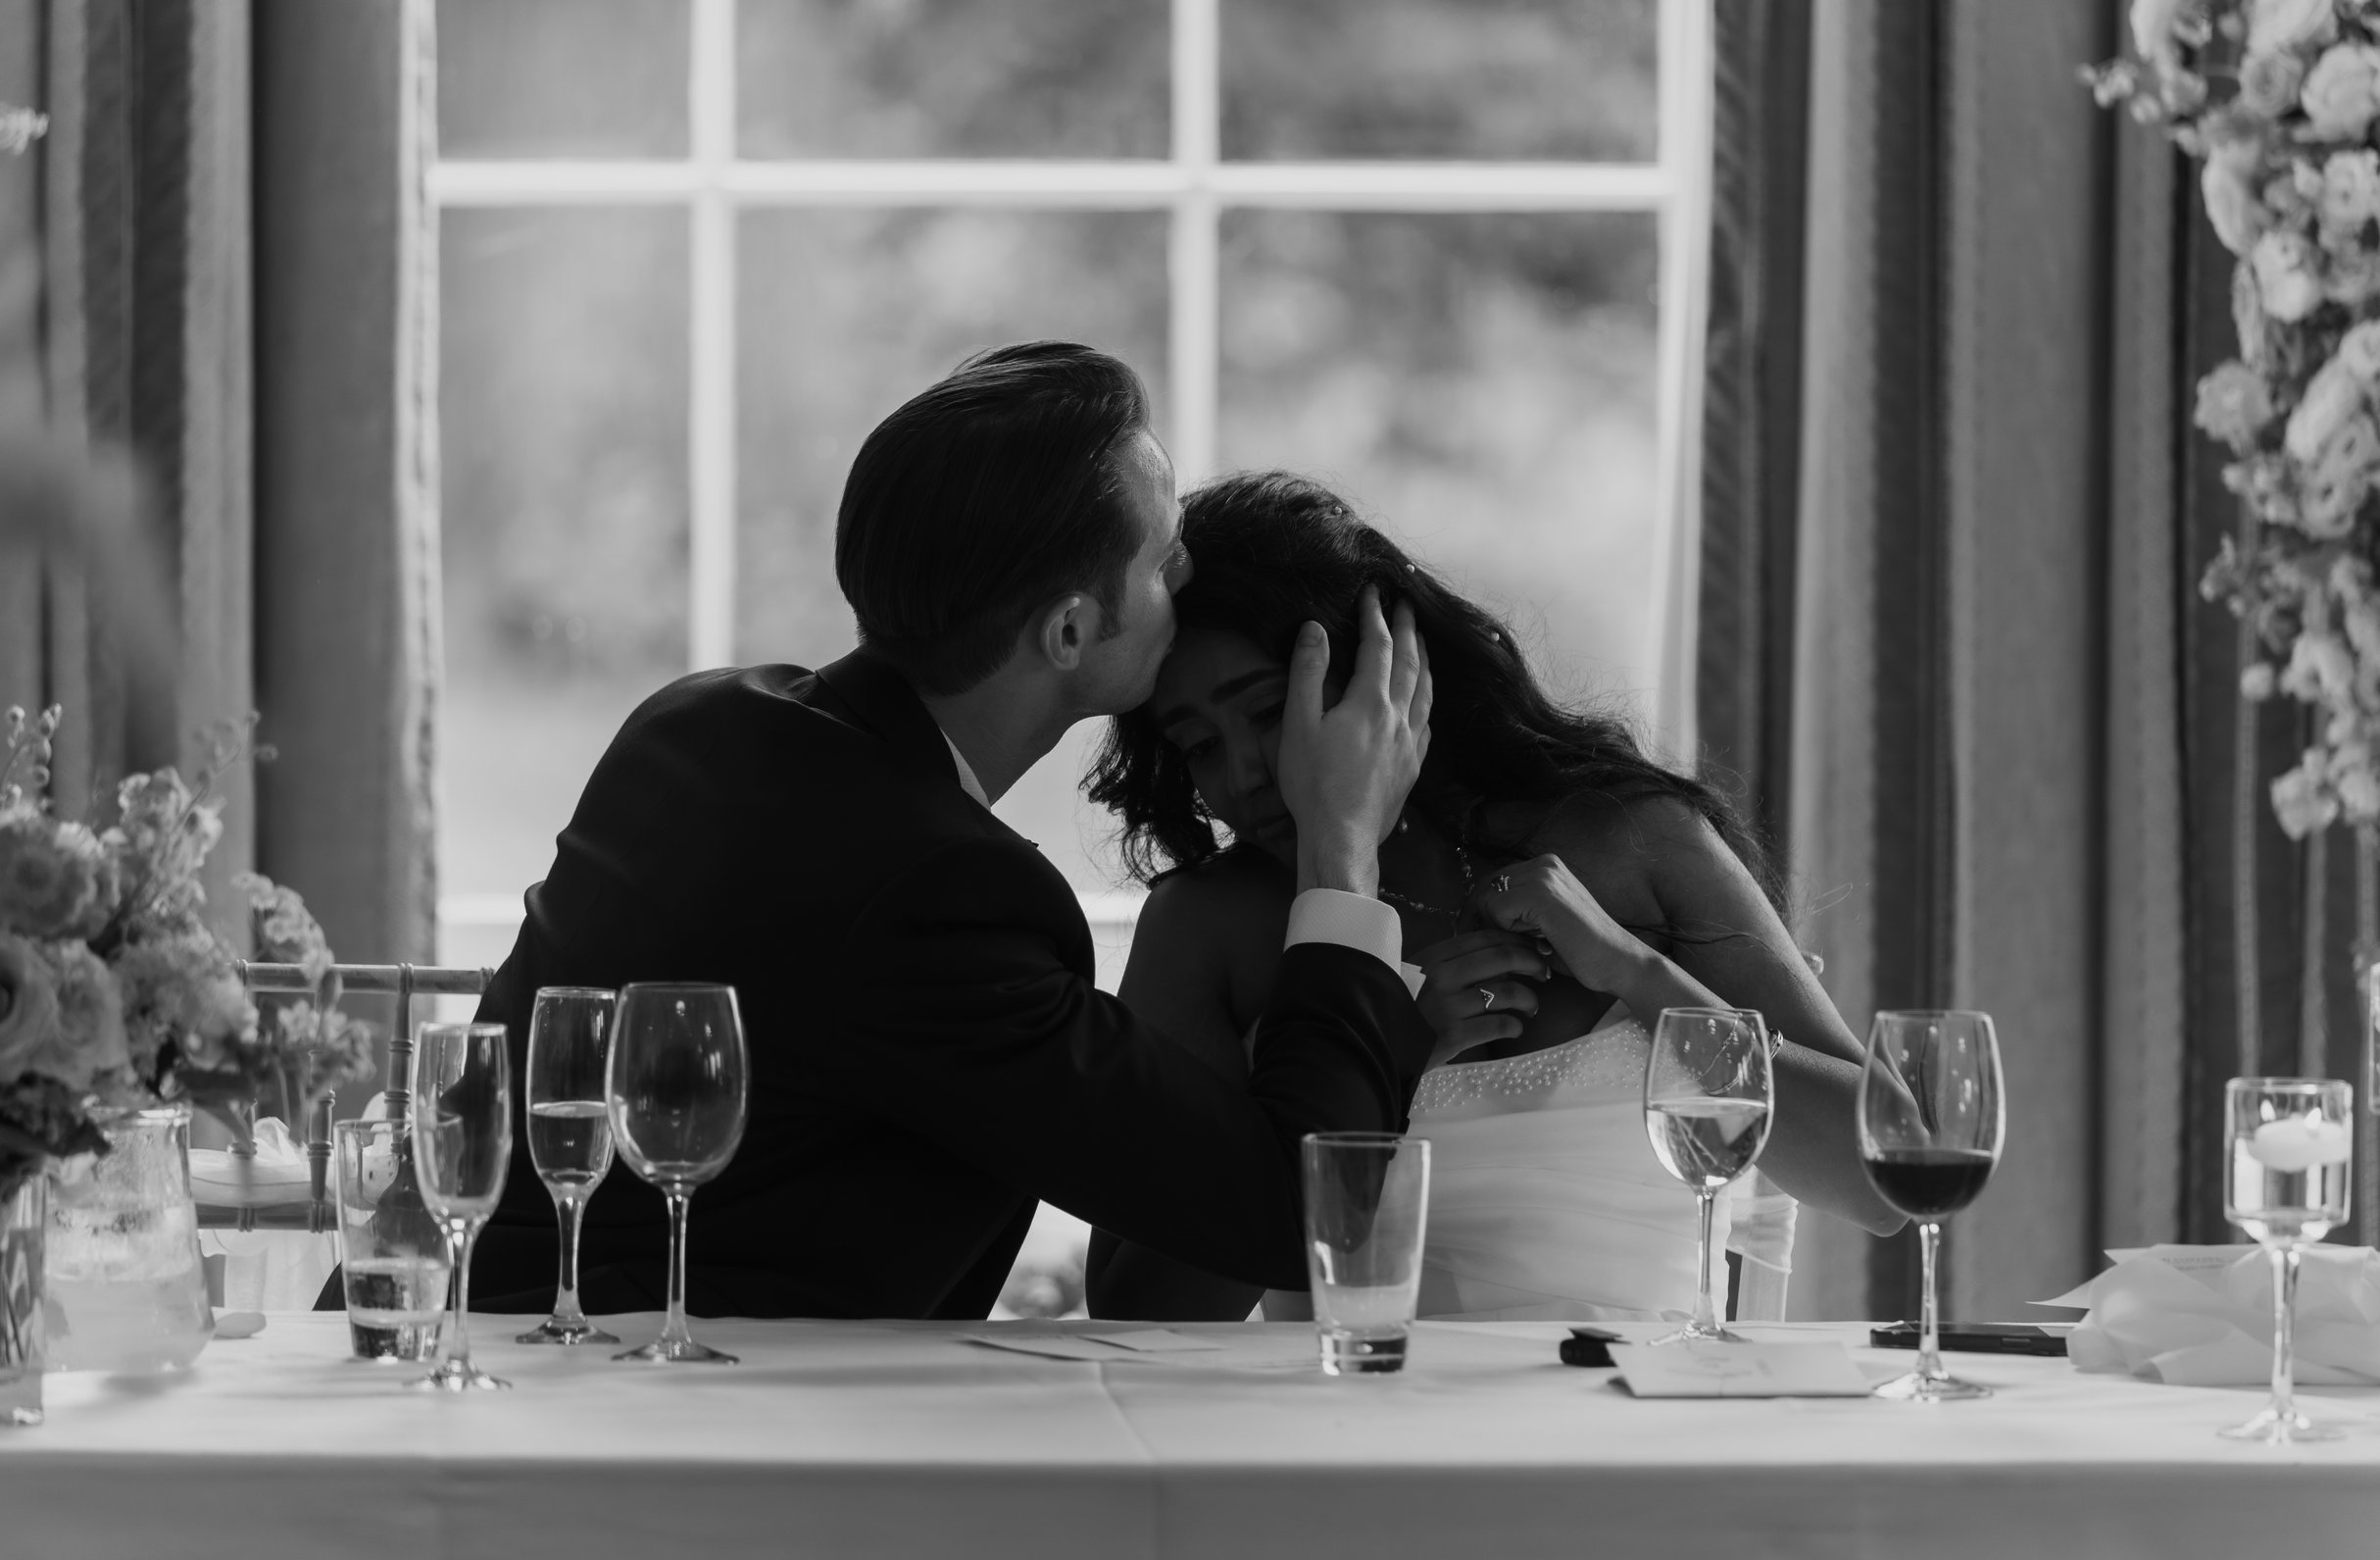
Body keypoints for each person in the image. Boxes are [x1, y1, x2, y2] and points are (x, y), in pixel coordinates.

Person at [460, 345, 1437, 1318]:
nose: (1187, 574)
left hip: (449, 1333)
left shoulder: (693, 723)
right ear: (1067, 631)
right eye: (1160, 557)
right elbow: (1290, 1211)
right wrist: (1341, 852)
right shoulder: (939, 893)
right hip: (610, 1427)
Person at [1085, 472, 1903, 1323]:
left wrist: (1637, 971)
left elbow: (1884, 1179)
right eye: (1198, 747)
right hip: (1342, 1433)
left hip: (1639, 1429)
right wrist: (1390, 1044)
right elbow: (1141, 1305)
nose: (1244, 775)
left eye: (1265, 712)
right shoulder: (1208, 925)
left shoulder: (1632, 841)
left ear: (1388, 673)